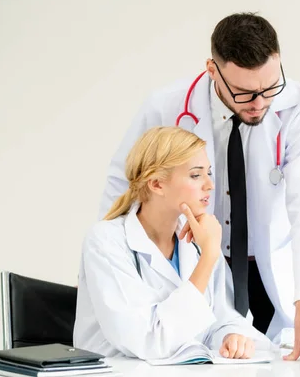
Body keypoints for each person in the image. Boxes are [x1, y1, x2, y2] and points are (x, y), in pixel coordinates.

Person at [99, 12, 300, 362]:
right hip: (192, 258)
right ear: (213, 71)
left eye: (270, 87)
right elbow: (123, 182)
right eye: (243, 92)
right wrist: (111, 262)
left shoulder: (298, 111)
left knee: (265, 357)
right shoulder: (165, 106)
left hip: (268, 261)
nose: (259, 103)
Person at [74, 126, 271, 360]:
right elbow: (149, 341)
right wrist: (208, 258)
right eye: (196, 175)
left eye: (209, 173)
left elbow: (221, 318)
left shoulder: (196, 242)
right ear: (157, 184)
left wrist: (232, 336)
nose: (210, 185)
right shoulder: (107, 241)